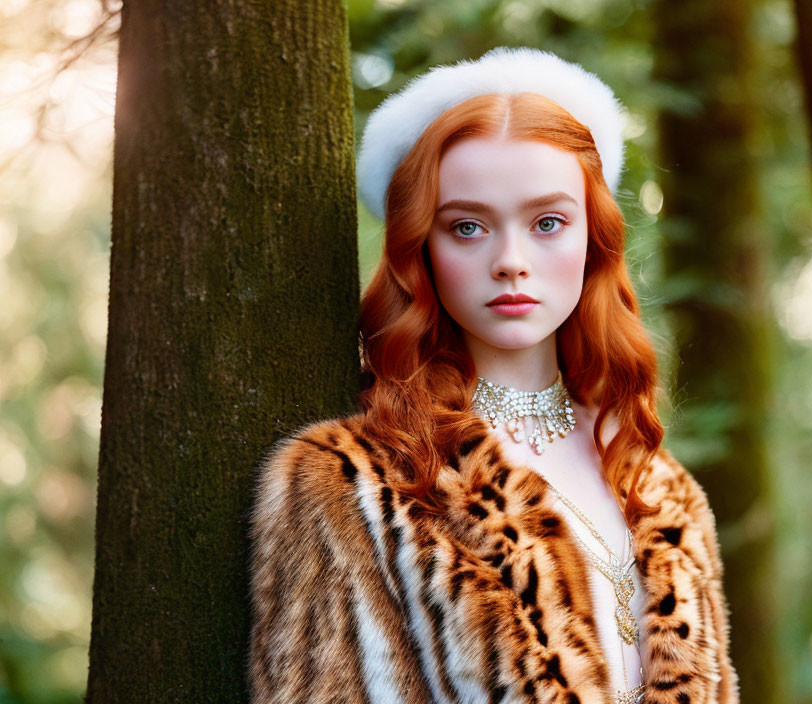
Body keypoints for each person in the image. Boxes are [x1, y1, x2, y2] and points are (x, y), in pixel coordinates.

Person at [247, 46, 739, 704]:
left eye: (547, 223)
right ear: (421, 244)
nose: (511, 260)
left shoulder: (662, 487)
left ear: (593, 237)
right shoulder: (352, 485)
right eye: (469, 226)